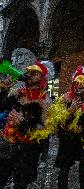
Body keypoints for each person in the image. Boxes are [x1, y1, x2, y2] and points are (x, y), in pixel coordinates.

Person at [0, 59, 53, 188]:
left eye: (35, 73)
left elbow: (44, 131)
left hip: (27, 152)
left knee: (20, 184)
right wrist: (3, 89)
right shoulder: (18, 93)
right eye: (29, 72)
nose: (29, 75)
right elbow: (1, 107)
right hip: (7, 145)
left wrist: (23, 123)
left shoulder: (45, 102)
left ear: (43, 78)